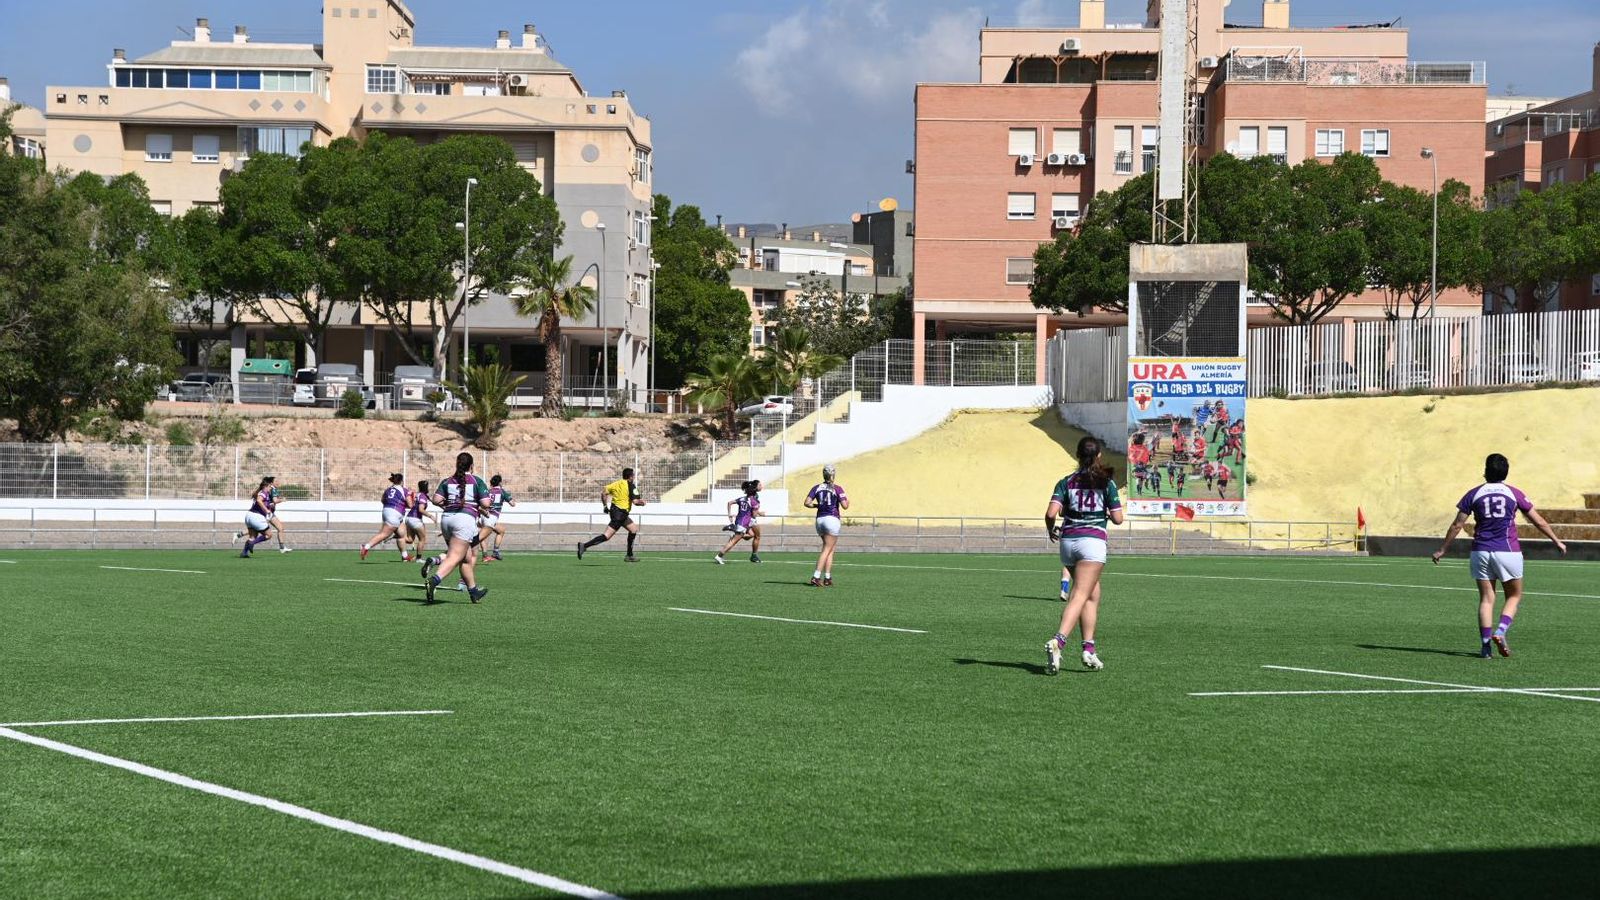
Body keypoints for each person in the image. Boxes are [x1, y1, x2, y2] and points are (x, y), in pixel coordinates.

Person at [1432, 453, 1567, 658]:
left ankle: (1485, 647)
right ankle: (1501, 631)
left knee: (1487, 598)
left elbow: (1457, 524)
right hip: (1508, 551)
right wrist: (1556, 541)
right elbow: (1538, 521)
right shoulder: (1514, 493)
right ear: (1506, 472)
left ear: (1485, 471)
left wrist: (1443, 549)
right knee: (1514, 595)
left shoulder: (1474, 494)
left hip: (1481, 551)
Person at [1044, 437, 1124, 675]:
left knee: (1092, 594)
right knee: (1079, 595)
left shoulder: (1065, 482)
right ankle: (1058, 641)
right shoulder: (1106, 483)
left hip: (1068, 541)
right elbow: (1118, 518)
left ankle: (1089, 649)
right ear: (1098, 456)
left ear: (1077, 456)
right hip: (1092, 542)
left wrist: (1050, 529)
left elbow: (1051, 513)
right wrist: (1106, 514)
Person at [419, 452, 490, 604]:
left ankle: (473, 592)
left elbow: (437, 499)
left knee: (465, 558)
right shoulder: (476, 481)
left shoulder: (447, 481)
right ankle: (434, 581)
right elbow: (486, 504)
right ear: (471, 466)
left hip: (447, 520)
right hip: (464, 520)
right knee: (455, 557)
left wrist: (449, 504)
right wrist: (476, 503)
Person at [578, 467, 645, 562]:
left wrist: (605, 506)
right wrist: (642, 503)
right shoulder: (631, 485)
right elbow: (635, 502)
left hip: (616, 512)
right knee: (606, 536)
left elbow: (604, 492)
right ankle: (584, 546)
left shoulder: (616, 484)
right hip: (620, 514)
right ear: (630, 477)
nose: (633, 477)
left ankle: (629, 555)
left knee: (633, 529)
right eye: (633, 475)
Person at [804, 464, 849, 586]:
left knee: (830, 549)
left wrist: (817, 505)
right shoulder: (837, 488)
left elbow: (807, 503)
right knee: (827, 549)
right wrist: (846, 499)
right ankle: (816, 576)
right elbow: (845, 506)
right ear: (833, 475)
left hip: (820, 520)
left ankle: (828, 578)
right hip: (832, 519)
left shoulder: (817, 487)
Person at [360, 473, 409, 561]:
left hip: (387, 510)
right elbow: (410, 504)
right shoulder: (404, 490)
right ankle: (366, 547)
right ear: (402, 481)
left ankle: (405, 556)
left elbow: (383, 500)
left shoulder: (388, 490)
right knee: (385, 534)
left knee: (401, 534)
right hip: (395, 513)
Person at [715, 480, 765, 564]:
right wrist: (758, 513)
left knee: (751, 535)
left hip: (738, 521)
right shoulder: (754, 501)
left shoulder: (742, 499)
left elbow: (730, 502)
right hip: (743, 523)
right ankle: (719, 556)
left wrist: (729, 515)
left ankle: (734, 530)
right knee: (733, 542)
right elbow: (754, 515)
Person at [233, 476, 279, 558]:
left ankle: (244, 553)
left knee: (252, 537)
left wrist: (271, 506)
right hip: (256, 517)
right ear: (266, 486)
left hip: (249, 516)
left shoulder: (265, 494)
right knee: (269, 535)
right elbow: (259, 500)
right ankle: (252, 543)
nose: (270, 488)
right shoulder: (263, 492)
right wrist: (267, 510)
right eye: (269, 487)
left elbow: (264, 503)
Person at [475, 474, 516, 562]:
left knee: (501, 530)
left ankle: (494, 553)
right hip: (490, 517)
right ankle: (482, 555)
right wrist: (509, 499)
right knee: (481, 537)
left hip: (482, 515)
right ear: (500, 482)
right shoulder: (502, 491)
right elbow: (513, 504)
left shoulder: (488, 491)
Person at [402, 480, 439, 563]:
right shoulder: (422, 496)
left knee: (410, 539)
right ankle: (419, 559)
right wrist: (431, 516)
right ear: (425, 487)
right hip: (415, 519)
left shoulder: (419, 494)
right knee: (422, 539)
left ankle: (398, 537)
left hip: (408, 518)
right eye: (427, 486)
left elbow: (433, 502)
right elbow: (420, 509)